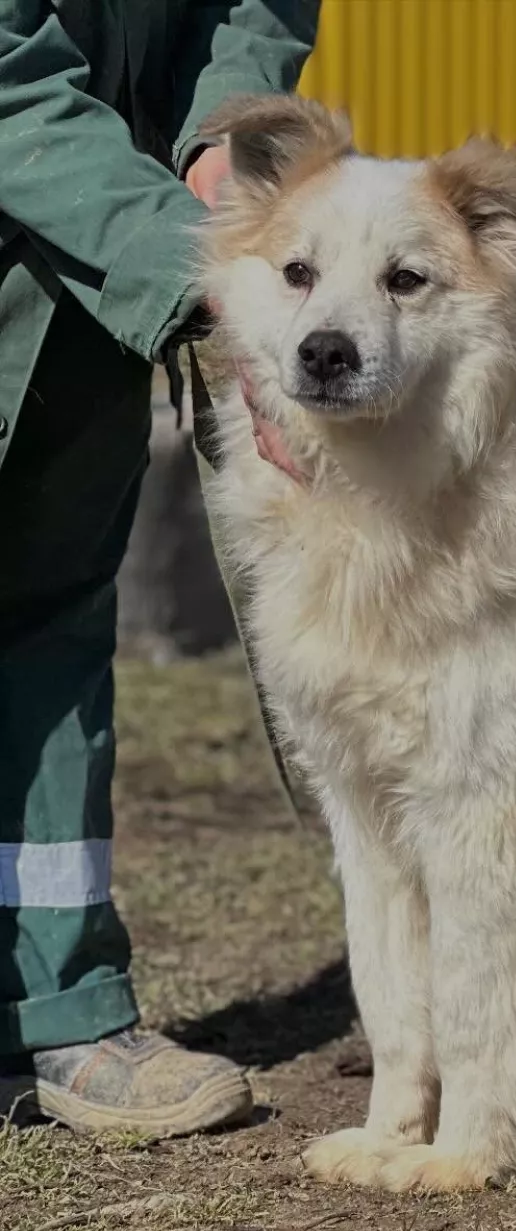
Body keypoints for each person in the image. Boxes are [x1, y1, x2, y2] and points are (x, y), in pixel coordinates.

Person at [0, 0, 320, 1138]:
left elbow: (255, 4)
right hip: (109, 233)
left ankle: (61, 1014)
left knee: (49, 628)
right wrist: (204, 276)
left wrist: (225, 146)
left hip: (87, 280)